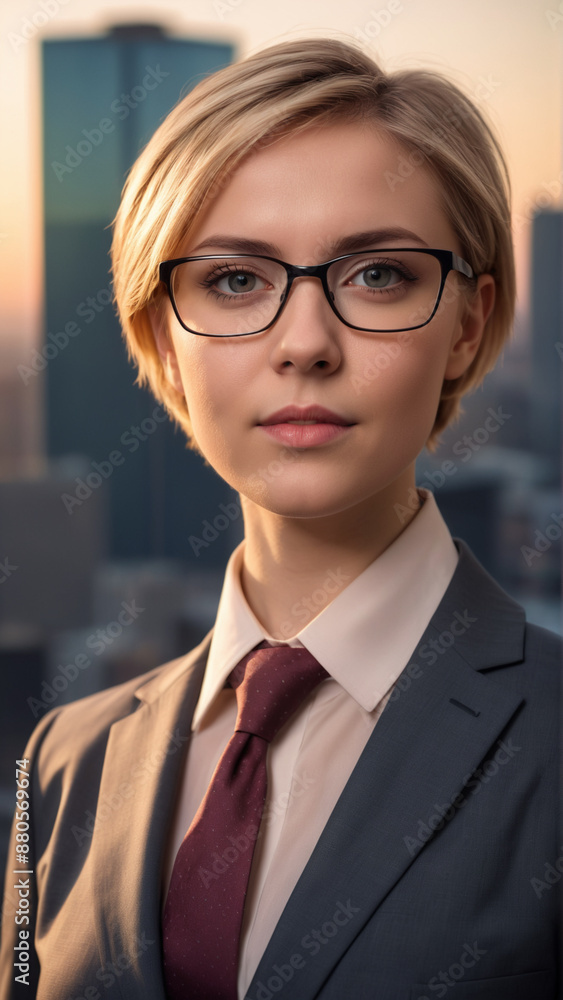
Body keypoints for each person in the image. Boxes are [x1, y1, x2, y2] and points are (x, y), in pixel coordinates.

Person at [0, 36, 560, 1000]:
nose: (305, 343)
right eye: (233, 280)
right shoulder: (65, 761)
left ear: (468, 322)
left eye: (379, 275)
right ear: (160, 342)